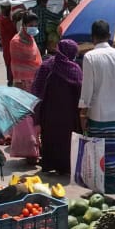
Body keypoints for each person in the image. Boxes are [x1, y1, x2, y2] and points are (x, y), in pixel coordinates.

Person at [79, 20, 115, 204]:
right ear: (109, 35)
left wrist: (83, 114)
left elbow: (87, 90)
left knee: (96, 154)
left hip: (96, 114)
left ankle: (97, 190)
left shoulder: (90, 57)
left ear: (93, 37)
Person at [31, 39, 83, 174]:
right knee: (65, 139)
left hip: (48, 110)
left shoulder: (47, 65)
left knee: (49, 136)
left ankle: (48, 163)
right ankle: (64, 167)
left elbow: (36, 87)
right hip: (68, 111)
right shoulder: (74, 68)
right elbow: (80, 89)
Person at [8, 11, 42, 164]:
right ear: (23, 25)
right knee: (26, 120)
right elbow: (16, 64)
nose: (33, 28)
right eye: (31, 25)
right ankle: (29, 151)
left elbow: (37, 59)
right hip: (22, 84)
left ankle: (36, 147)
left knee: (35, 118)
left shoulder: (31, 38)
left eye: (35, 25)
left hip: (35, 83)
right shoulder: (16, 42)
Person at [0, 1, 17, 86]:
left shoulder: (3, 16)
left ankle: (11, 80)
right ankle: (10, 82)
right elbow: (12, 30)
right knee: (10, 63)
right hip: (8, 45)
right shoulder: (4, 19)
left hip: (8, 44)